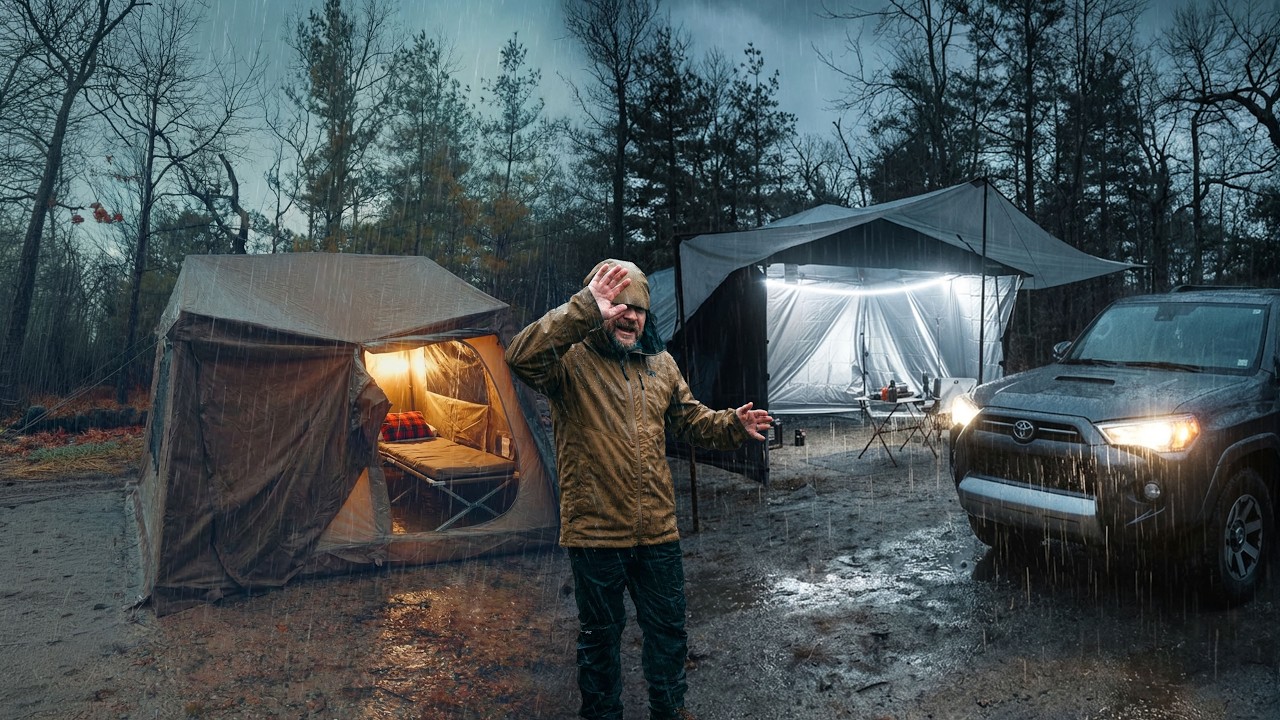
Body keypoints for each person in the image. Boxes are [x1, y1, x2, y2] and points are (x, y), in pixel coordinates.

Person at [505, 259, 772, 720]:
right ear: (598, 307)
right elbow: (519, 357)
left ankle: (669, 710)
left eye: (639, 309)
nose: (630, 316)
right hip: (596, 533)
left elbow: (688, 419)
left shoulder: (660, 364)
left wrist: (732, 424)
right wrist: (585, 309)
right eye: (618, 305)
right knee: (600, 640)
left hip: (657, 531)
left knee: (668, 632)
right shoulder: (568, 362)